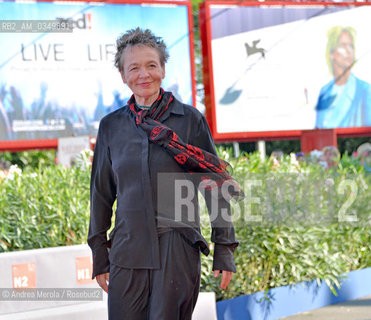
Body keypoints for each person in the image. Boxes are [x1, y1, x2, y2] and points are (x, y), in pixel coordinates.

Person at [87, 28, 241, 320]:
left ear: (163, 69)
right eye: (134, 67)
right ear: (123, 75)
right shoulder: (111, 126)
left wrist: (224, 247)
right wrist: (99, 255)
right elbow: (101, 194)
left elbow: (213, 185)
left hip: (177, 249)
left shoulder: (190, 121)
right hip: (127, 250)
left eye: (151, 65)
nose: (143, 74)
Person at [315, 26, 371, 129]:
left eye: (351, 46)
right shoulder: (324, 91)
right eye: (343, 46)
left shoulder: (364, 89)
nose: (348, 51)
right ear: (332, 53)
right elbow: (318, 129)